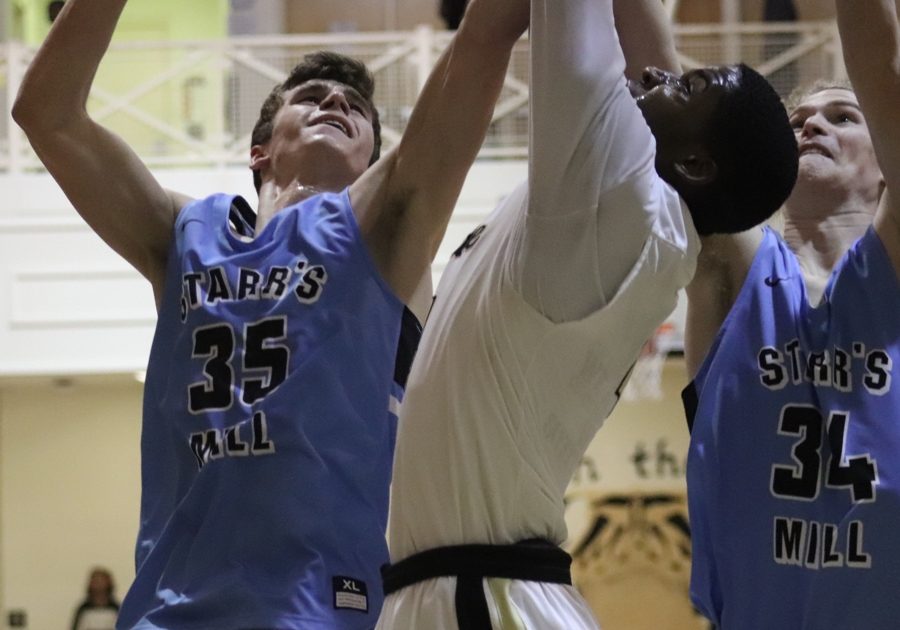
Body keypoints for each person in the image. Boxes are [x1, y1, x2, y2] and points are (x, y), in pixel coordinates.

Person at [13, 0, 527, 627]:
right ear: (259, 151)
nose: (336, 104)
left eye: (356, 108)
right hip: (170, 610)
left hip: (320, 606)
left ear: (368, 158)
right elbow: (46, 115)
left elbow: (482, 44)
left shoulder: (386, 224)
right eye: (311, 96)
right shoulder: (184, 235)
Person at [376, 0, 798, 627]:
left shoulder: (619, 201)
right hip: (474, 593)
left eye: (688, 86)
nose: (659, 74)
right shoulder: (629, 211)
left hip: (481, 596)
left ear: (695, 166)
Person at [682, 0, 900, 628]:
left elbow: (879, 59)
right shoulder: (734, 261)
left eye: (842, 116)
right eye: (796, 120)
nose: (811, 126)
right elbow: (665, 99)